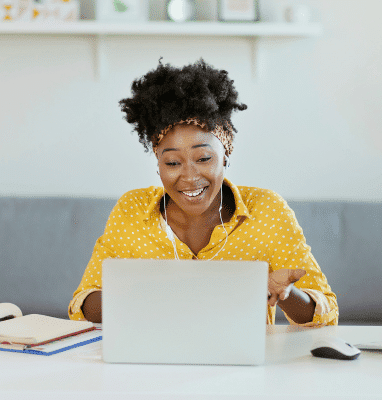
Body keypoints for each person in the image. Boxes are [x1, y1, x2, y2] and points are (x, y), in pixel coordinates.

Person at [68, 59, 338, 326]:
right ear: (158, 164)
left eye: (204, 158)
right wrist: (145, 292)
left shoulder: (266, 210)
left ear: (225, 157)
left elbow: (326, 313)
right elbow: (83, 304)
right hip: (150, 363)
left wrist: (286, 295)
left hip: (240, 365)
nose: (189, 176)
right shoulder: (132, 209)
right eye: (172, 163)